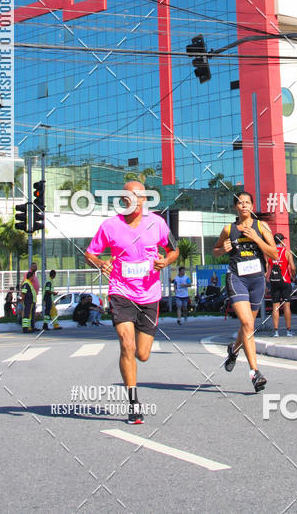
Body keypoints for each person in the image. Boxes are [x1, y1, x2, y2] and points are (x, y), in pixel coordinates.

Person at [84, 180, 179, 425]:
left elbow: (174, 250)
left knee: (143, 354)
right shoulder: (110, 226)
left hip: (149, 296)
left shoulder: (157, 223)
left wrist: (165, 261)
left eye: (136, 195)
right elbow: (90, 253)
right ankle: (134, 403)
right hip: (121, 292)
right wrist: (100, 263)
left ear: (144, 199)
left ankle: (137, 356)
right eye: (126, 195)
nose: (131, 198)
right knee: (127, 346)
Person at [213, 190, 278, 393]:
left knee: (247, 326)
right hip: (237, 278)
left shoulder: (261, 226)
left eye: (247, 202)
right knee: (247, 323)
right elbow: (214, 251)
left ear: (252, 206)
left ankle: (234, 349)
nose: (244, 206)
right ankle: (254, 372)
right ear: (235, 207)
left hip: (257, 280)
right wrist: (222, 249)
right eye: (240, 203)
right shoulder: (229, 229)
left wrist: (256, 239)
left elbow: (274, 253)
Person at [268, 233, 296, 337]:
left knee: (275, 306)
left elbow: (268, 268)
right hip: (285, 280)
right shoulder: (287, 252)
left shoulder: (270, 253)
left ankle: (275, 331)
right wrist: (293, 276)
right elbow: (292, 267)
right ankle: (288, 330)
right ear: (281, 241)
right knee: (286, 305)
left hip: (274, 281)